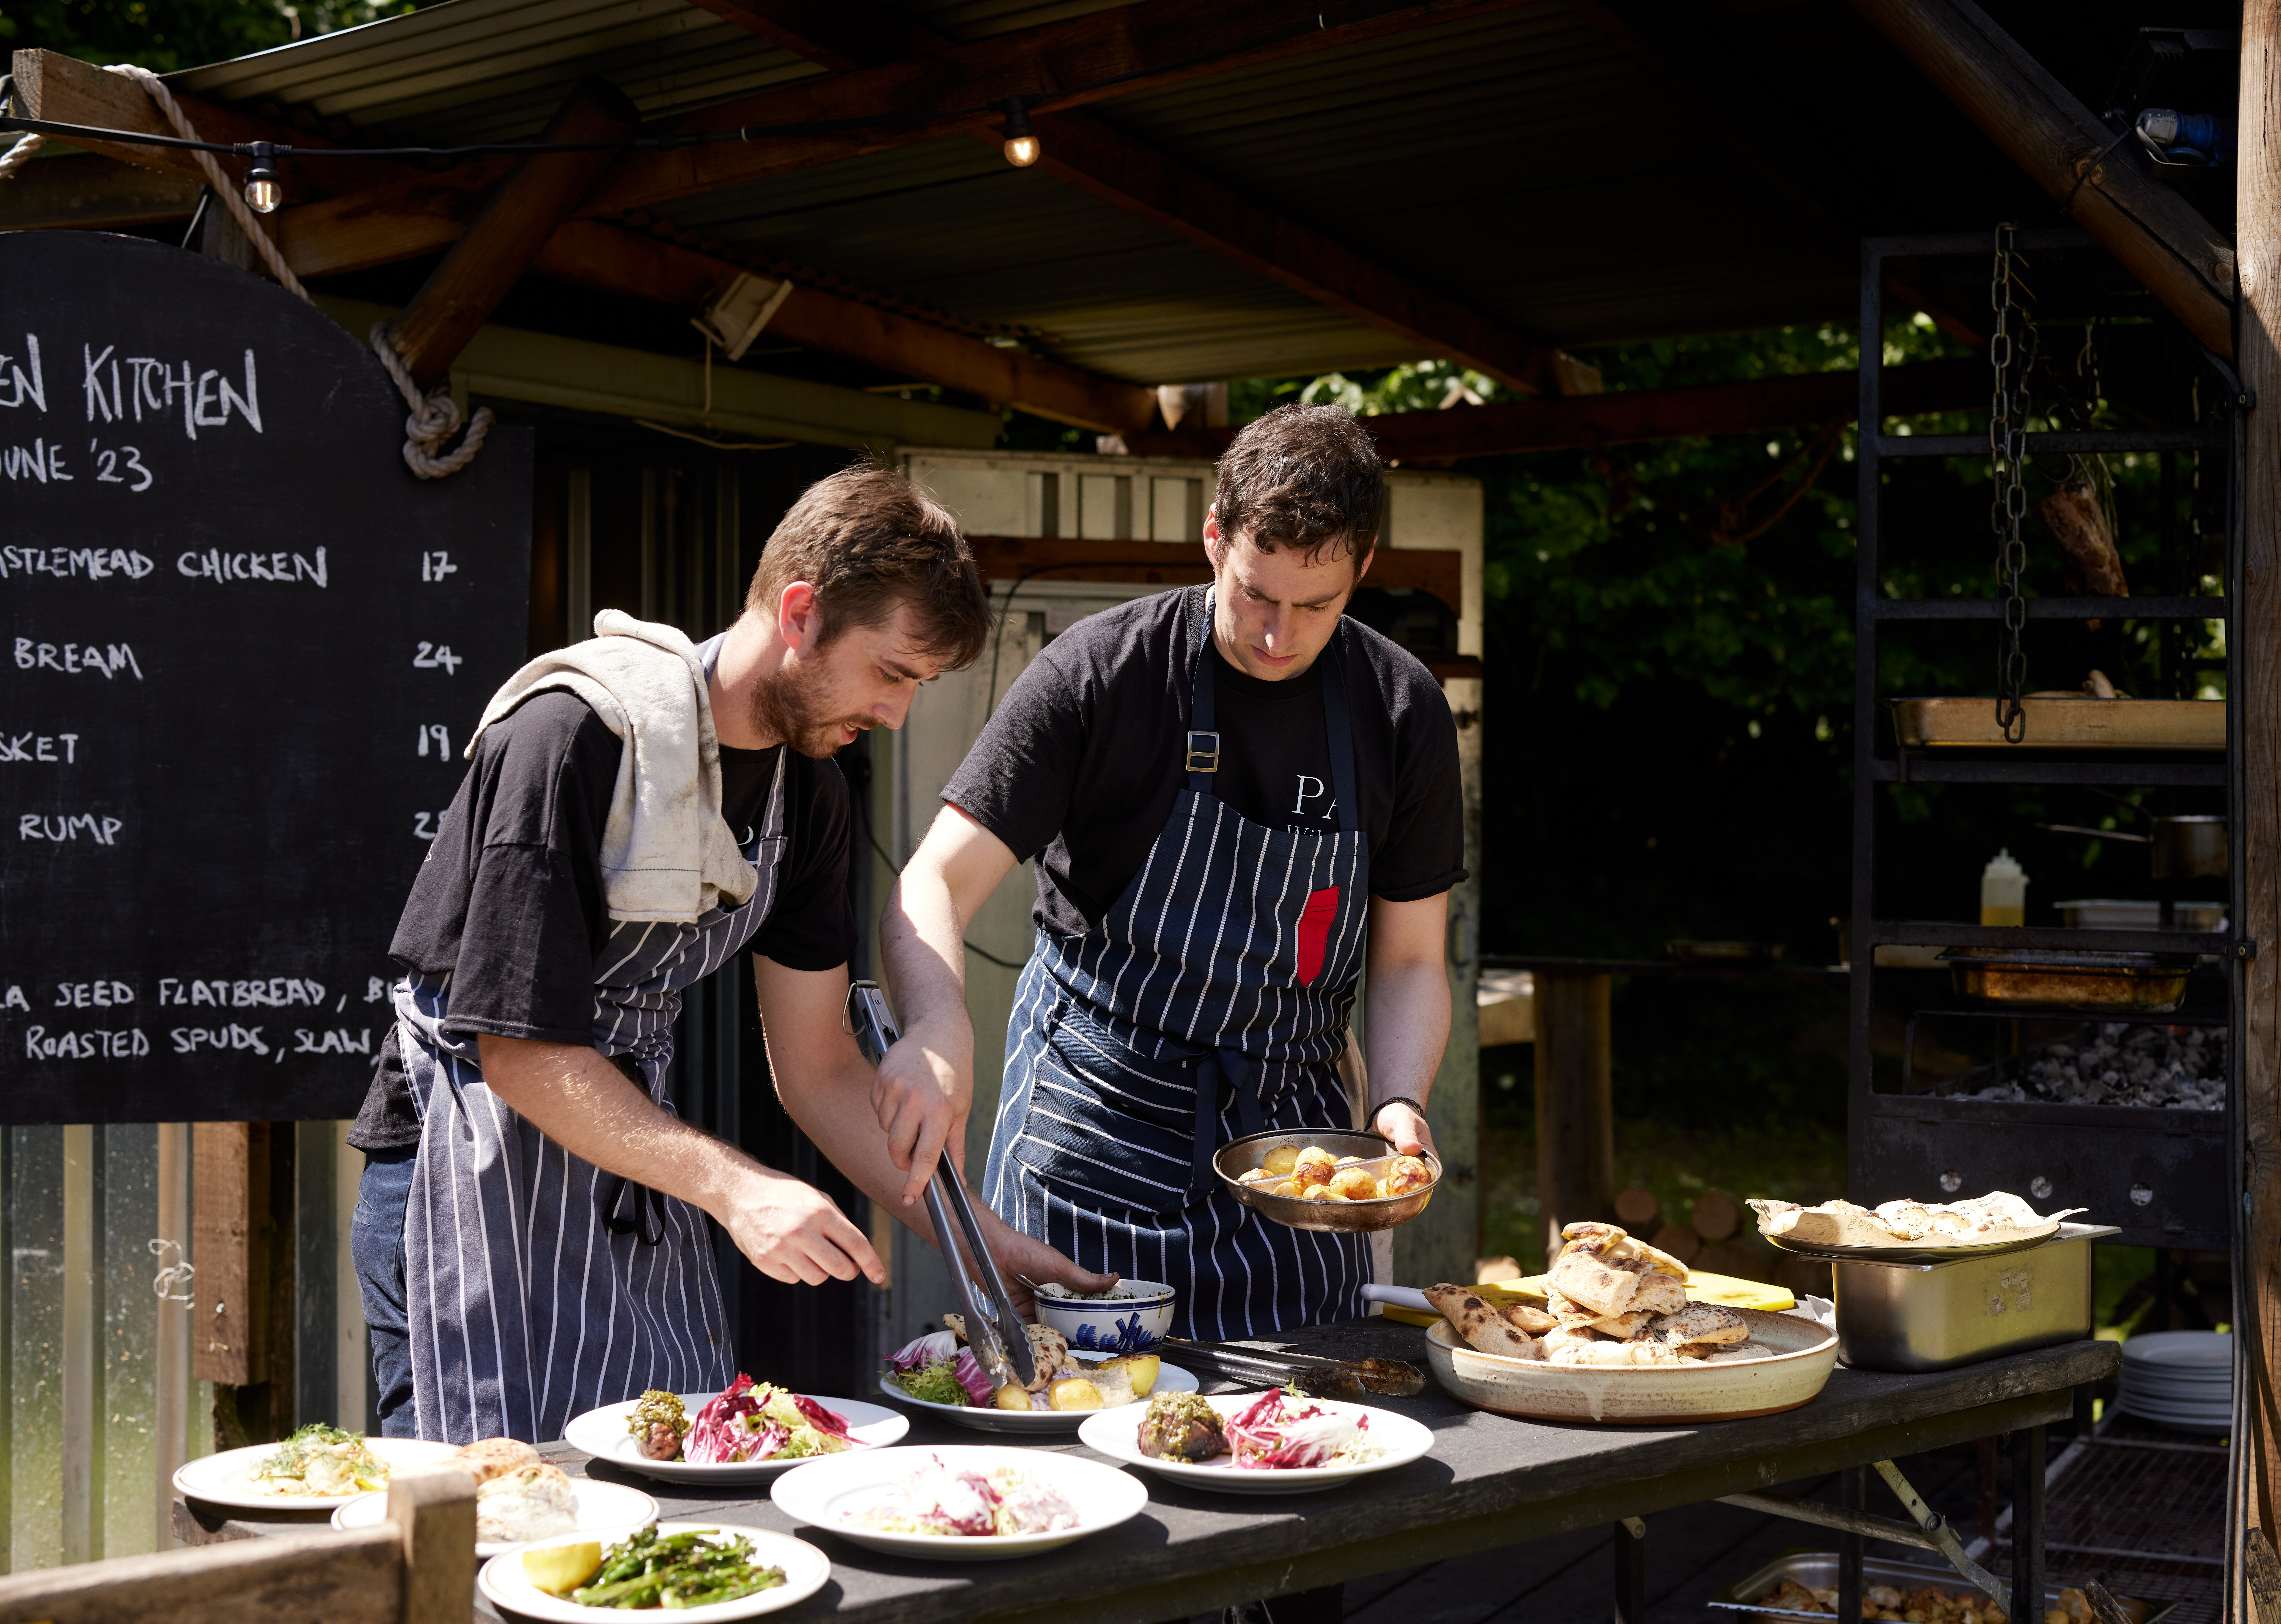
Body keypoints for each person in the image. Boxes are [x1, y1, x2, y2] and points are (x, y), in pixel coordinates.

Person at [347, 462, 1104, 1444]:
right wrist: (737, 1190)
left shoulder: (811, 796)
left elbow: (821, 1066)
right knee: (485, 1516)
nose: (897, 714)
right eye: (891, 673)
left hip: (632, 1187)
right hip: (461, 1176)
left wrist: (984, 1249)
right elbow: (520, 1054)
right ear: (801, 614)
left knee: (680, 1487)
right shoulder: (574, 738)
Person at [873, 405, 1467, 1339]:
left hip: (1293, 1156)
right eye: (1255, 595)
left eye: (1316, 606)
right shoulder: (1103, 674)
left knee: (1301, 1434)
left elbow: (1408, 961)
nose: (1279, 635)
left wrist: (1397, 1102)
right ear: (1213, 538)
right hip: (1092, 1130)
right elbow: (932, 883)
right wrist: (939, 1029)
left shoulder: (1403, 712)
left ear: (1364, 564)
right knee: (1070, 1434)